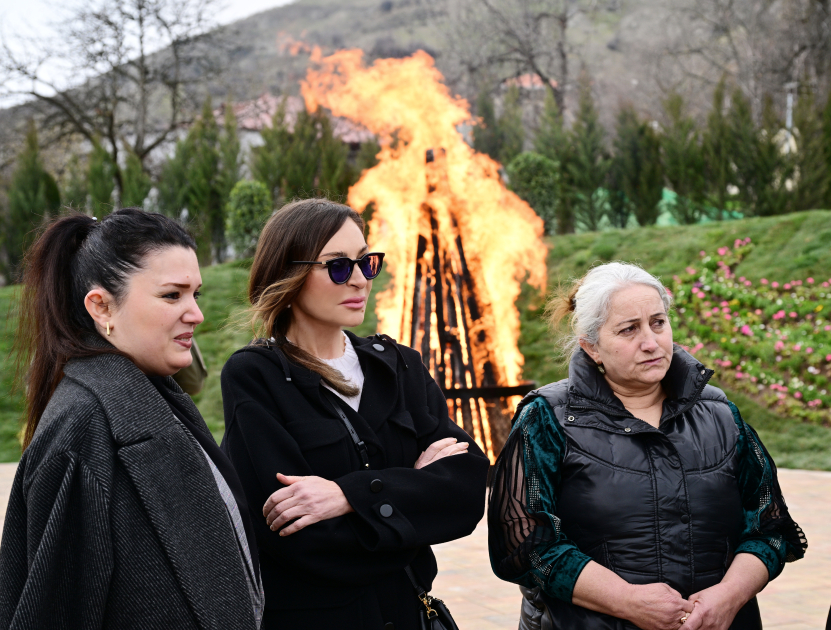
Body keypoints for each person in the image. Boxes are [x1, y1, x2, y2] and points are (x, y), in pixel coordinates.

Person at [488, 262, 806, 630]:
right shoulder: (548, 419)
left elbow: (772, 527)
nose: (651, 342)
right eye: (628, 330)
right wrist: (627, 601)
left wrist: (728, 597)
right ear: (592, 347)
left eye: (658, 322)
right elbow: (523, 544)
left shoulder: (720, 414)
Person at [220, 198, 490, 630]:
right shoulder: (255, 376)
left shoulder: (399, 366)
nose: (361, 280)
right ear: (288, 274)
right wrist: (414, 505)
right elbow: (298, 540)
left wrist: (346, 497)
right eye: (339, 266)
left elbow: (467, 493)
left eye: (367, 262)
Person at [0, 209, 263, 630]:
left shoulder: (158, 396)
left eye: (195, 293)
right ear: (101, 306)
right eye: (172, 295)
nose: (195, 313)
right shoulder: (81, 432)